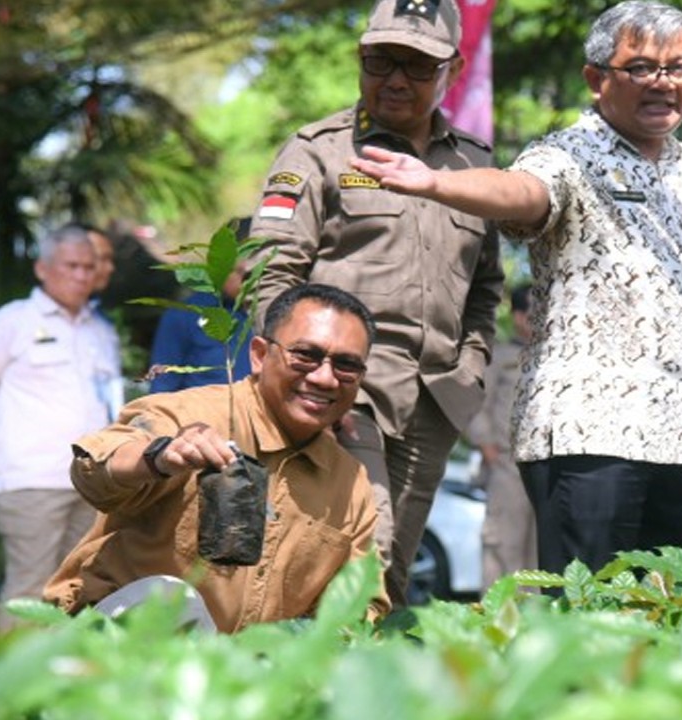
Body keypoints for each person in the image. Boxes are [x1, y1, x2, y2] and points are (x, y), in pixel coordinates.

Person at [352, 0, 682, 575]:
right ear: (597, 80)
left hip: (681, 436)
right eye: (641, 68)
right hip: (589, 436)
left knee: (665, 620)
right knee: (589, 619)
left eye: (678, 68)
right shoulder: (567, 153)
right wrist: (438, 184)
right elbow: (522, 192)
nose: (663, 84)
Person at [249, 0, 504, 605]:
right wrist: (306, 378)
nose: (394, 78)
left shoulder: (474, 163)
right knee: (368, 557)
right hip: (344, 397)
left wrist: (471, 363)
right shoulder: (319, 151)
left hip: (436, 403)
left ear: (452, 68)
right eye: (380, 60)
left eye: (416, 66)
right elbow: (270, 273)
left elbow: (486, 286)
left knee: (389, 574)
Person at [44, 283, 389, 630]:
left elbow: (359, 609)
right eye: (305, 355)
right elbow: (94, 469)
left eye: (346, 366)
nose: (324, 378)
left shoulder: (350, 483)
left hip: (242, 673)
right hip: (118, 653)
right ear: (258, 355)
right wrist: (159, 458)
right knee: (168, 598)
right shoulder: (190, 415)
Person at [0, 223, 122, 631]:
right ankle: (11, 687)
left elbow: (111, 400)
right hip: (31, 479)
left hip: (90, 481)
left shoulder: (102, 332)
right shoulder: (7, 324)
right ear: (43, 268)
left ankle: (65, 683)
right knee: (30, 590)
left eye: (89, 267)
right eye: (71, 265)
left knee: (80, 589)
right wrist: (1, 452)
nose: (82, 275)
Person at [465, 284, 537, 592]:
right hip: (507, 464)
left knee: (538, 554)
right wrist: (486, 444)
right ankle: (496, 622)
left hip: (543, 464)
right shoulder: (501, 355)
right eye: (534, 312)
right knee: (503, 544)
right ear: (519, 316)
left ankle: (537, 627)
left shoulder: (552, 355)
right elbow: (476, 400)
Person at [147, 218, 254, 392]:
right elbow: (162, 390)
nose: (247, 282)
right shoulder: (184, 315)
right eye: (239, 272)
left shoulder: (280, 316)